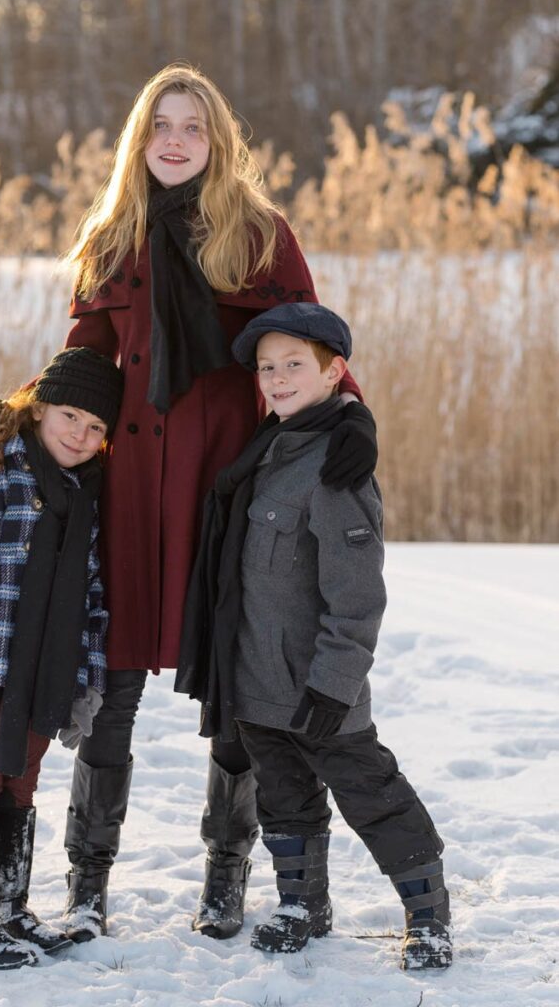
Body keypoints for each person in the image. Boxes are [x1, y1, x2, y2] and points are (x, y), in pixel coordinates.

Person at [0, 63, 378, 943]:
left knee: (239, 686)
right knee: (108, 691)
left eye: (192, 126)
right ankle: (88, 880)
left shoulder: (259, 235)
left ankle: (225, 875)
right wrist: (9, 423)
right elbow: (79, 368)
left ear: (217, 142)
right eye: (161, 127)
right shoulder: (112, 237)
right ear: (139, 142)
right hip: (130, 496)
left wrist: (353, 419)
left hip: (228, 495)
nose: (175, 141)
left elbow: (307, 347)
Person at [178, 302, 452, 971]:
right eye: (267, 367)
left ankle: (429, 917)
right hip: (257, 683)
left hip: (317, 686)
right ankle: (302, 904)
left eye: (292, 365)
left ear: (335, 372)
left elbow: (357, 594)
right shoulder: (268, 449)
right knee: (284, 800)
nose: (275, 378)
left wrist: (334, 684)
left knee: (372, 797)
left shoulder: (335, 464)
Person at [0, 348, 124, 969]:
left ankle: (11, 911)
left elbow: (93, 598)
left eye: (97, 428)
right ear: (38, 408)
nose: (81, 435)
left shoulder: (85, 497)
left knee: (22, 783)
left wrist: (86, 681)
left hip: (46, 674)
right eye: (70, 416)